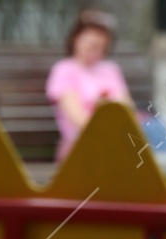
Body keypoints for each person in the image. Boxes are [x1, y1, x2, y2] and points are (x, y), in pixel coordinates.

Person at [46, 9, 131, 158]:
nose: (95, 52)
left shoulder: (111, 70)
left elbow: (127, 109)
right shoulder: (64, 70)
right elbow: (78, 120)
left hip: (116, 143)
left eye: (100, 48)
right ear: (76, 39)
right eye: (91, 46)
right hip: (79, 146)